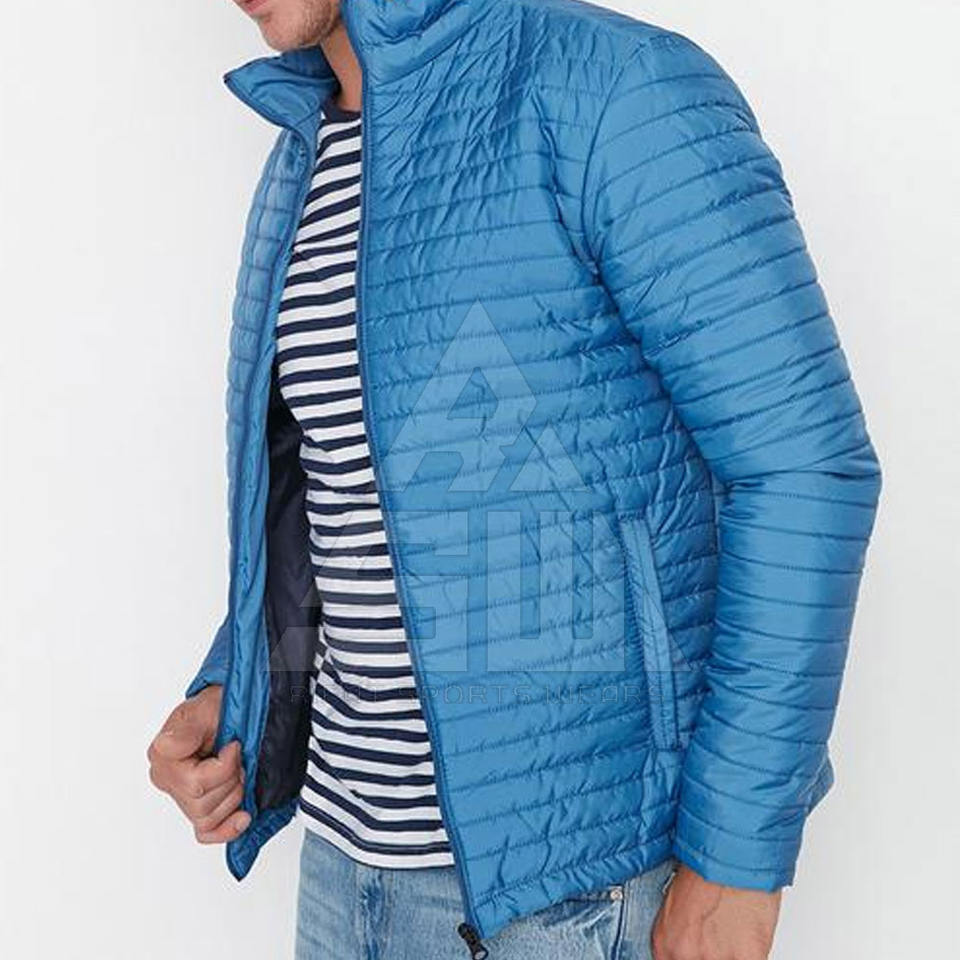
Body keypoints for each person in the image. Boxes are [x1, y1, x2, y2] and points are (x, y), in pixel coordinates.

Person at [147, 1, 881, 958]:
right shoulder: (307, 152)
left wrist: (737, 857)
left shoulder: (612, 88)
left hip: (571, 894)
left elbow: (803, 469)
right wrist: (239, 685)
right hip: (342, 865)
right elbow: (344, 499)